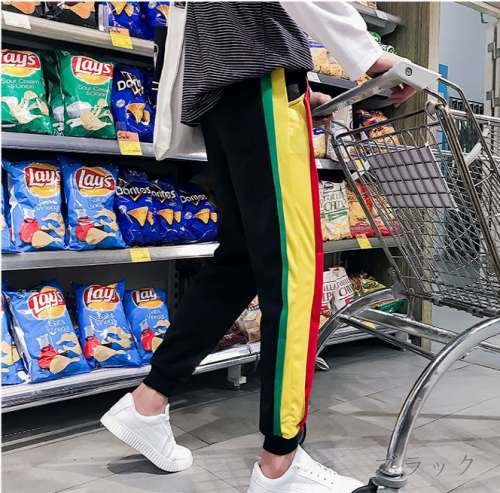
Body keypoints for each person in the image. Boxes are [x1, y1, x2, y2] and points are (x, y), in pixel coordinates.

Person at [101, 2, 415, 492]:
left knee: (241, 261)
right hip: (258, 78)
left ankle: (149, 399)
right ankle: (280, 462)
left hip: (222, 87)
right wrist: (366, 53)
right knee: (294, 275)